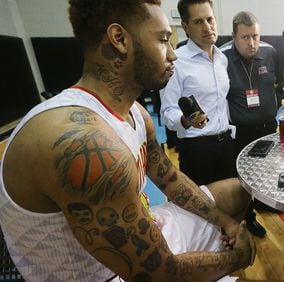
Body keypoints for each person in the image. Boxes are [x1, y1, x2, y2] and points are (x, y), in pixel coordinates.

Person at [0, 1, 256, 281]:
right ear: (119, 39)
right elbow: (159, 273)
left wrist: (228, 224)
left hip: (145, 228)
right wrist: (238, 256)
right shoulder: (82, 142)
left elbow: (169, 178)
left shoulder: (135, 111)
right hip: (113, 273)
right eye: (162, 40)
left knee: (238, 191)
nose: (172, 55)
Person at [220, 11, 284, 238]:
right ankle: (249, 217)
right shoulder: (221, 57)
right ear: (234, 36)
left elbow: (277, 84)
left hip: (268, 128)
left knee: (267, 171)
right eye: (245, 37)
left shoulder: (270, 52)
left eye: (255, 36)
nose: (252, 43)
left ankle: (265, 202)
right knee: (242, 179)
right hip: (241, 132)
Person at [160, 0, 234, 186]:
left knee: (231, 207)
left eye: (210, 19)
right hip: (197, 150)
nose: (207, 27)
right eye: (198, 22)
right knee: (200, 212)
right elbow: (168, 111)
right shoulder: (177, 62)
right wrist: (186, 120)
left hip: (226, 144)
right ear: (186, 27)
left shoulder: (221, 59)